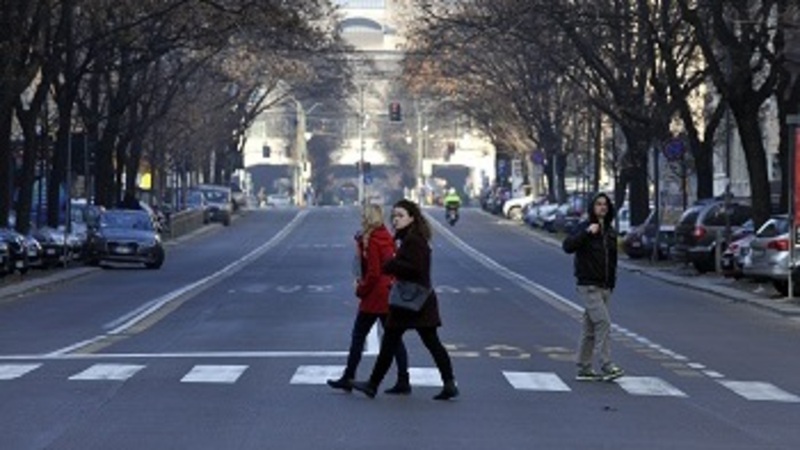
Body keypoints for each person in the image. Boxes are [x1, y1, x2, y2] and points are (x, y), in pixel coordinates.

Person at [351, 199, 459, 400]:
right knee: (406, 342)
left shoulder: (414, 240)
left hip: (412, 300)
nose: (396, 220)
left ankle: (374, 384)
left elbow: (415, 268)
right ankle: (447, 383)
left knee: (403, 342)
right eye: (394, 216)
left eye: (400, 216)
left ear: (412, 217)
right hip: (417, 299)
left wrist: (391, 265)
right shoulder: (409, 237)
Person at [327, 204, 411, 394]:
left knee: (358, 336)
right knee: (394, 338)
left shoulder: (372, 240)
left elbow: (373, 272)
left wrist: (361, 290)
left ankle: (349, 376)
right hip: (388, 291)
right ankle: (403, 379)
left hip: (374, 295)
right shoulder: (387, 237)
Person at [562, 193, 625, 382]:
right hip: (589, 285)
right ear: (592, 208)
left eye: (605, 204)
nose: (602, 208)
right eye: (598, 204)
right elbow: (567, 246)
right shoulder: (585, 227)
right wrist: (587, 232)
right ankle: (606, 365)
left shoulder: (610, 232)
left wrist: (612, 283)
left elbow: (612, 261)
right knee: (603, 322)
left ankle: (584, 366)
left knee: (589, 328)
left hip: (605, 286)